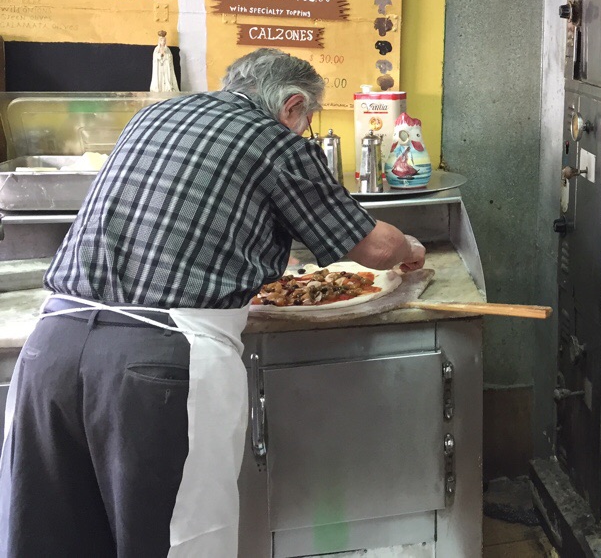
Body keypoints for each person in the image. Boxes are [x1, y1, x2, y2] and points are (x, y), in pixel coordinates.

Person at [0, 48, 426, 557]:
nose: (305, 131)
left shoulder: (157, 113)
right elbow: (373, 248)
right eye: (307, 120)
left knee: (52, 537)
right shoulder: (273, 140)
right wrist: (409, 248)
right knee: (177, 542)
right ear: (292, 107)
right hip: (159, 364)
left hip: (51, 348)